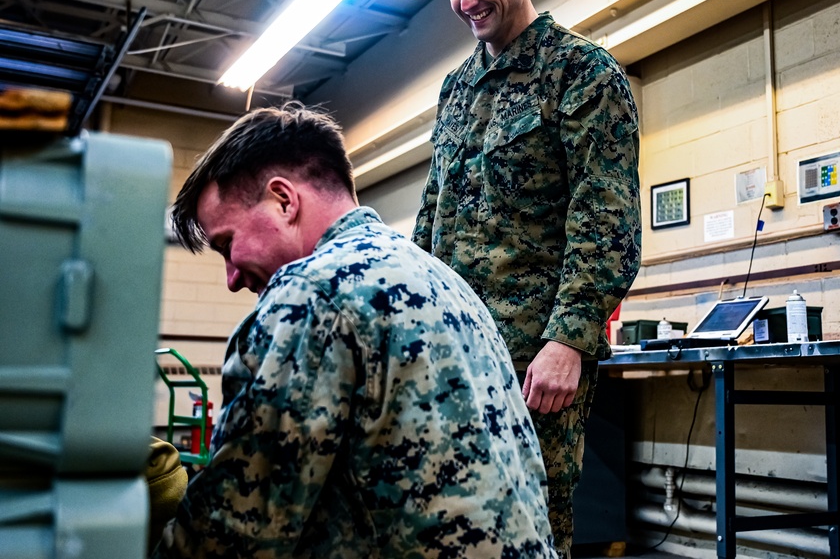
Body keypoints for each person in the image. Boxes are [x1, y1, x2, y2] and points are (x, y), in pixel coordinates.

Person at [158, 103, 557, 558]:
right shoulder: (447, 282)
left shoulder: (310, 293)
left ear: (283, 200)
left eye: (227, 245)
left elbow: (232, 534)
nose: (232, 277)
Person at [413, 0, 642, 558]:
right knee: (447, 518)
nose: (463, 1)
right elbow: (431, 218)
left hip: (531, 361)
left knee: (528, 523)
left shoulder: (583, 74)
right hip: (452, 353)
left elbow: (606, 218)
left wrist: (569, 338)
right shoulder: (456, 89)